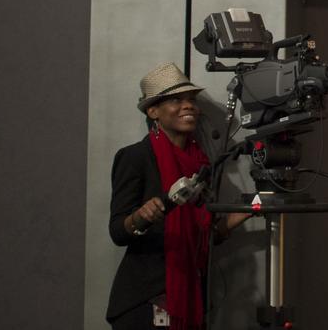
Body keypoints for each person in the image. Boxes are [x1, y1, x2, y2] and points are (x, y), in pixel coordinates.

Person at [106, 63, 250, 329]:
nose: (189, 106)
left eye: (192, 100)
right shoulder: (135, 157)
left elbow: (201, 235)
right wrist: (139, 217)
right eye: (176, 100)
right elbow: (117, 231)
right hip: (145, 301)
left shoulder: (202, 165)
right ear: (153, 111)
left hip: (191, 295)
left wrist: (239, 217)